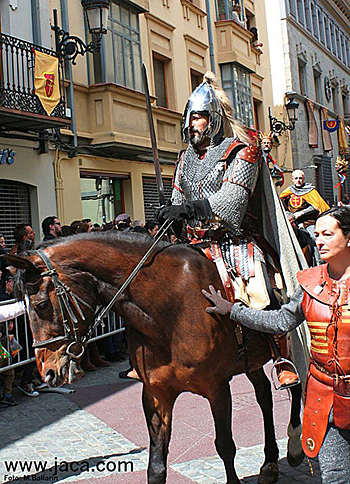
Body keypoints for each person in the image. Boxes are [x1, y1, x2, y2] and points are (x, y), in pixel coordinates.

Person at [158, 71, 299, 387]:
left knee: (263, 288)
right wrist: (171, 214)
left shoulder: (242, 149)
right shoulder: (185, 159)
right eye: (190, 118)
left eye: (200, 117)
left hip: (236, 242)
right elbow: (179, 197)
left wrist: (189, 208)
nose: (193, 124)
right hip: (196, 243)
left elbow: (231, 202)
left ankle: (281, 356)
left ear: (214, 118)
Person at [203, 206, 350, 484]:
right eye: (316, 234)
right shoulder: (310, 282)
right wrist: (232, 310)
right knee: (335, 478)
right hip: (325, 397)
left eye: (327, 234)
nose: (318, 241)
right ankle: (282, 361)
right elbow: (281, 320)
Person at [280, 170, 329, 234]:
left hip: (308, 221)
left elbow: (316, 207)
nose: (298, 180)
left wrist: (302, 212)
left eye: (300, 178)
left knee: (313, 237)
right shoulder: (288, 191)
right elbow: (283, 205)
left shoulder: (310, 191)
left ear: (303, 179)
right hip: (293, 221)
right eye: (296, 178)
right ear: (293, 179)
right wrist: (289, 215)